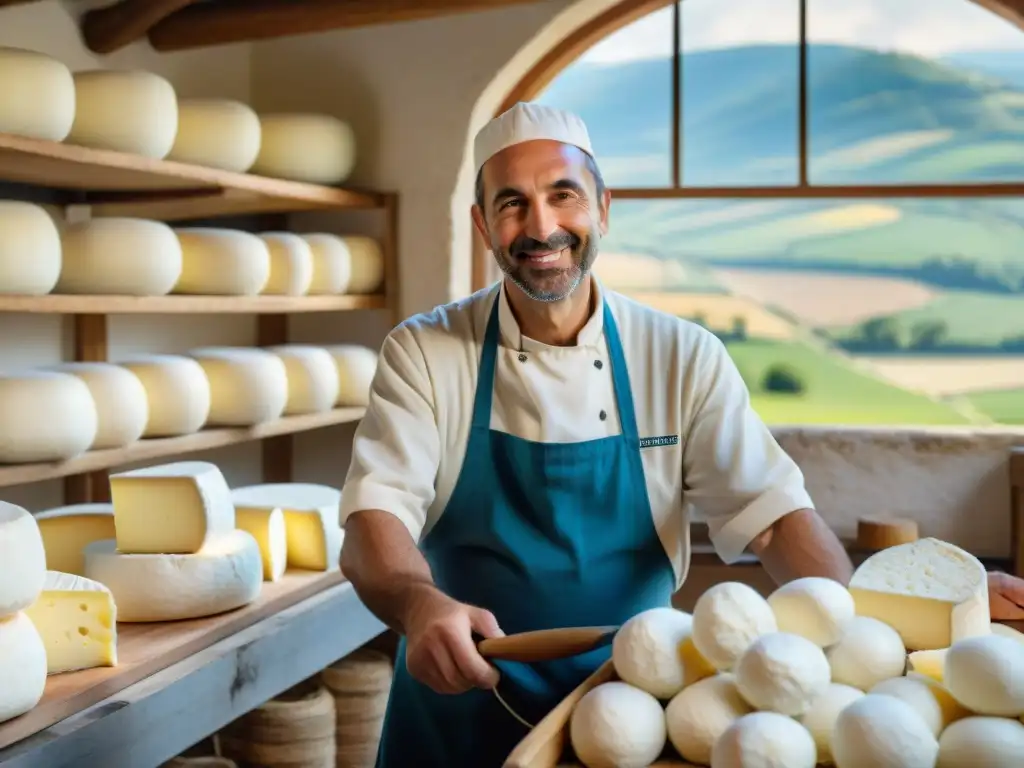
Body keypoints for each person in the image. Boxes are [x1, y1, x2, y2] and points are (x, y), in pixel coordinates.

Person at [338, 102, 1024, 768]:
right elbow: (375, 522)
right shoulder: (425, 352)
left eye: (563, 194)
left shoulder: (680, 355)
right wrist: (418, 602)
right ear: (483, 226)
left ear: (603, 209)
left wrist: (893, 625)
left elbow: (774, 519)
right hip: (461, 691)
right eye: (511, 202)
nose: (540, 225)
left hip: (639, 695)